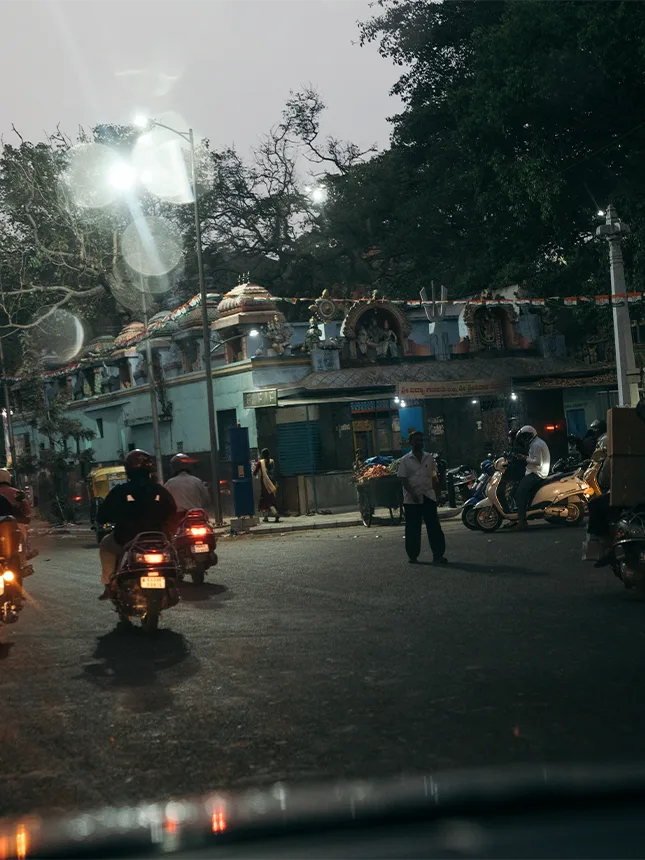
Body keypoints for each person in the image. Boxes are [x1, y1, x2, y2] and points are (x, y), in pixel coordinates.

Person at [96, 449, 176, 600]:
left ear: (128, 470)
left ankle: (109, 584)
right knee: (172, 552)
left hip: (125, 539)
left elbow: (102, 515)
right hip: (158, 540)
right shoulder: (160, 490)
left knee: (106, 545)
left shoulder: (120, 491)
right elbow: (172, 510)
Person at [397, 431, 447, 564]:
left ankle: (438, 554)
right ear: (410, 442)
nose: (419, 442)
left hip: (428, 496)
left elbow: (434, 477)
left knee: (434, 527)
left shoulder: (429, 458)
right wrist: (412, 493)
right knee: (413, 528)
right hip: (411, 500)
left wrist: (438, 493)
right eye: (416, 440)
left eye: (421, 440)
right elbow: (403, 479)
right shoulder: (405, 460)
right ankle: (413, 555)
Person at [513, 425, 550, 530]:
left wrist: (524, 458)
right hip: (533, 471)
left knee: (519, 493)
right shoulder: (535, 443)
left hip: (537, 473)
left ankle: (522, 521)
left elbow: (538, 462)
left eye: (525, 437)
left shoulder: (536, 445)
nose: (524, 439)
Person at [165, 453, 210, 530]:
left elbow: (165, 503)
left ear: (173, 467)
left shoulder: (169, 483)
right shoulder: (197, 481)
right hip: (198, 517)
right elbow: (206, 499)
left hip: (178, 519)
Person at [253, 448, 280, 523]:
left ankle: (275, 513)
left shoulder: (260, 462)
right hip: (272, 482)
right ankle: (266, 517)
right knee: (269, 498)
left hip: (265, 483)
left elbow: (255, 472)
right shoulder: (272, 461)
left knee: (267, 499)